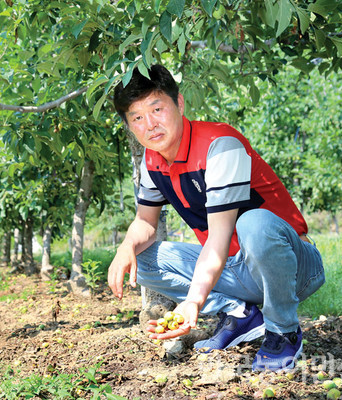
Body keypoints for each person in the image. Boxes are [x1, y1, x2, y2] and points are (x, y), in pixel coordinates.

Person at [107, 65, 325, 372]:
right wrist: (125, 246)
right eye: (137, 117)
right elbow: (145, 223)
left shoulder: (219, 146)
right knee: (139, 258)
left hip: (294, 268)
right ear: (129, 125)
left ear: (179, 104)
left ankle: (283, 330)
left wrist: (193, 302)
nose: (150, 124)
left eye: (157, 109)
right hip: (235, 267)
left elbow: (220, 239)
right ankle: (239, 314)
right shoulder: (152, 159)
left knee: (253, 223)